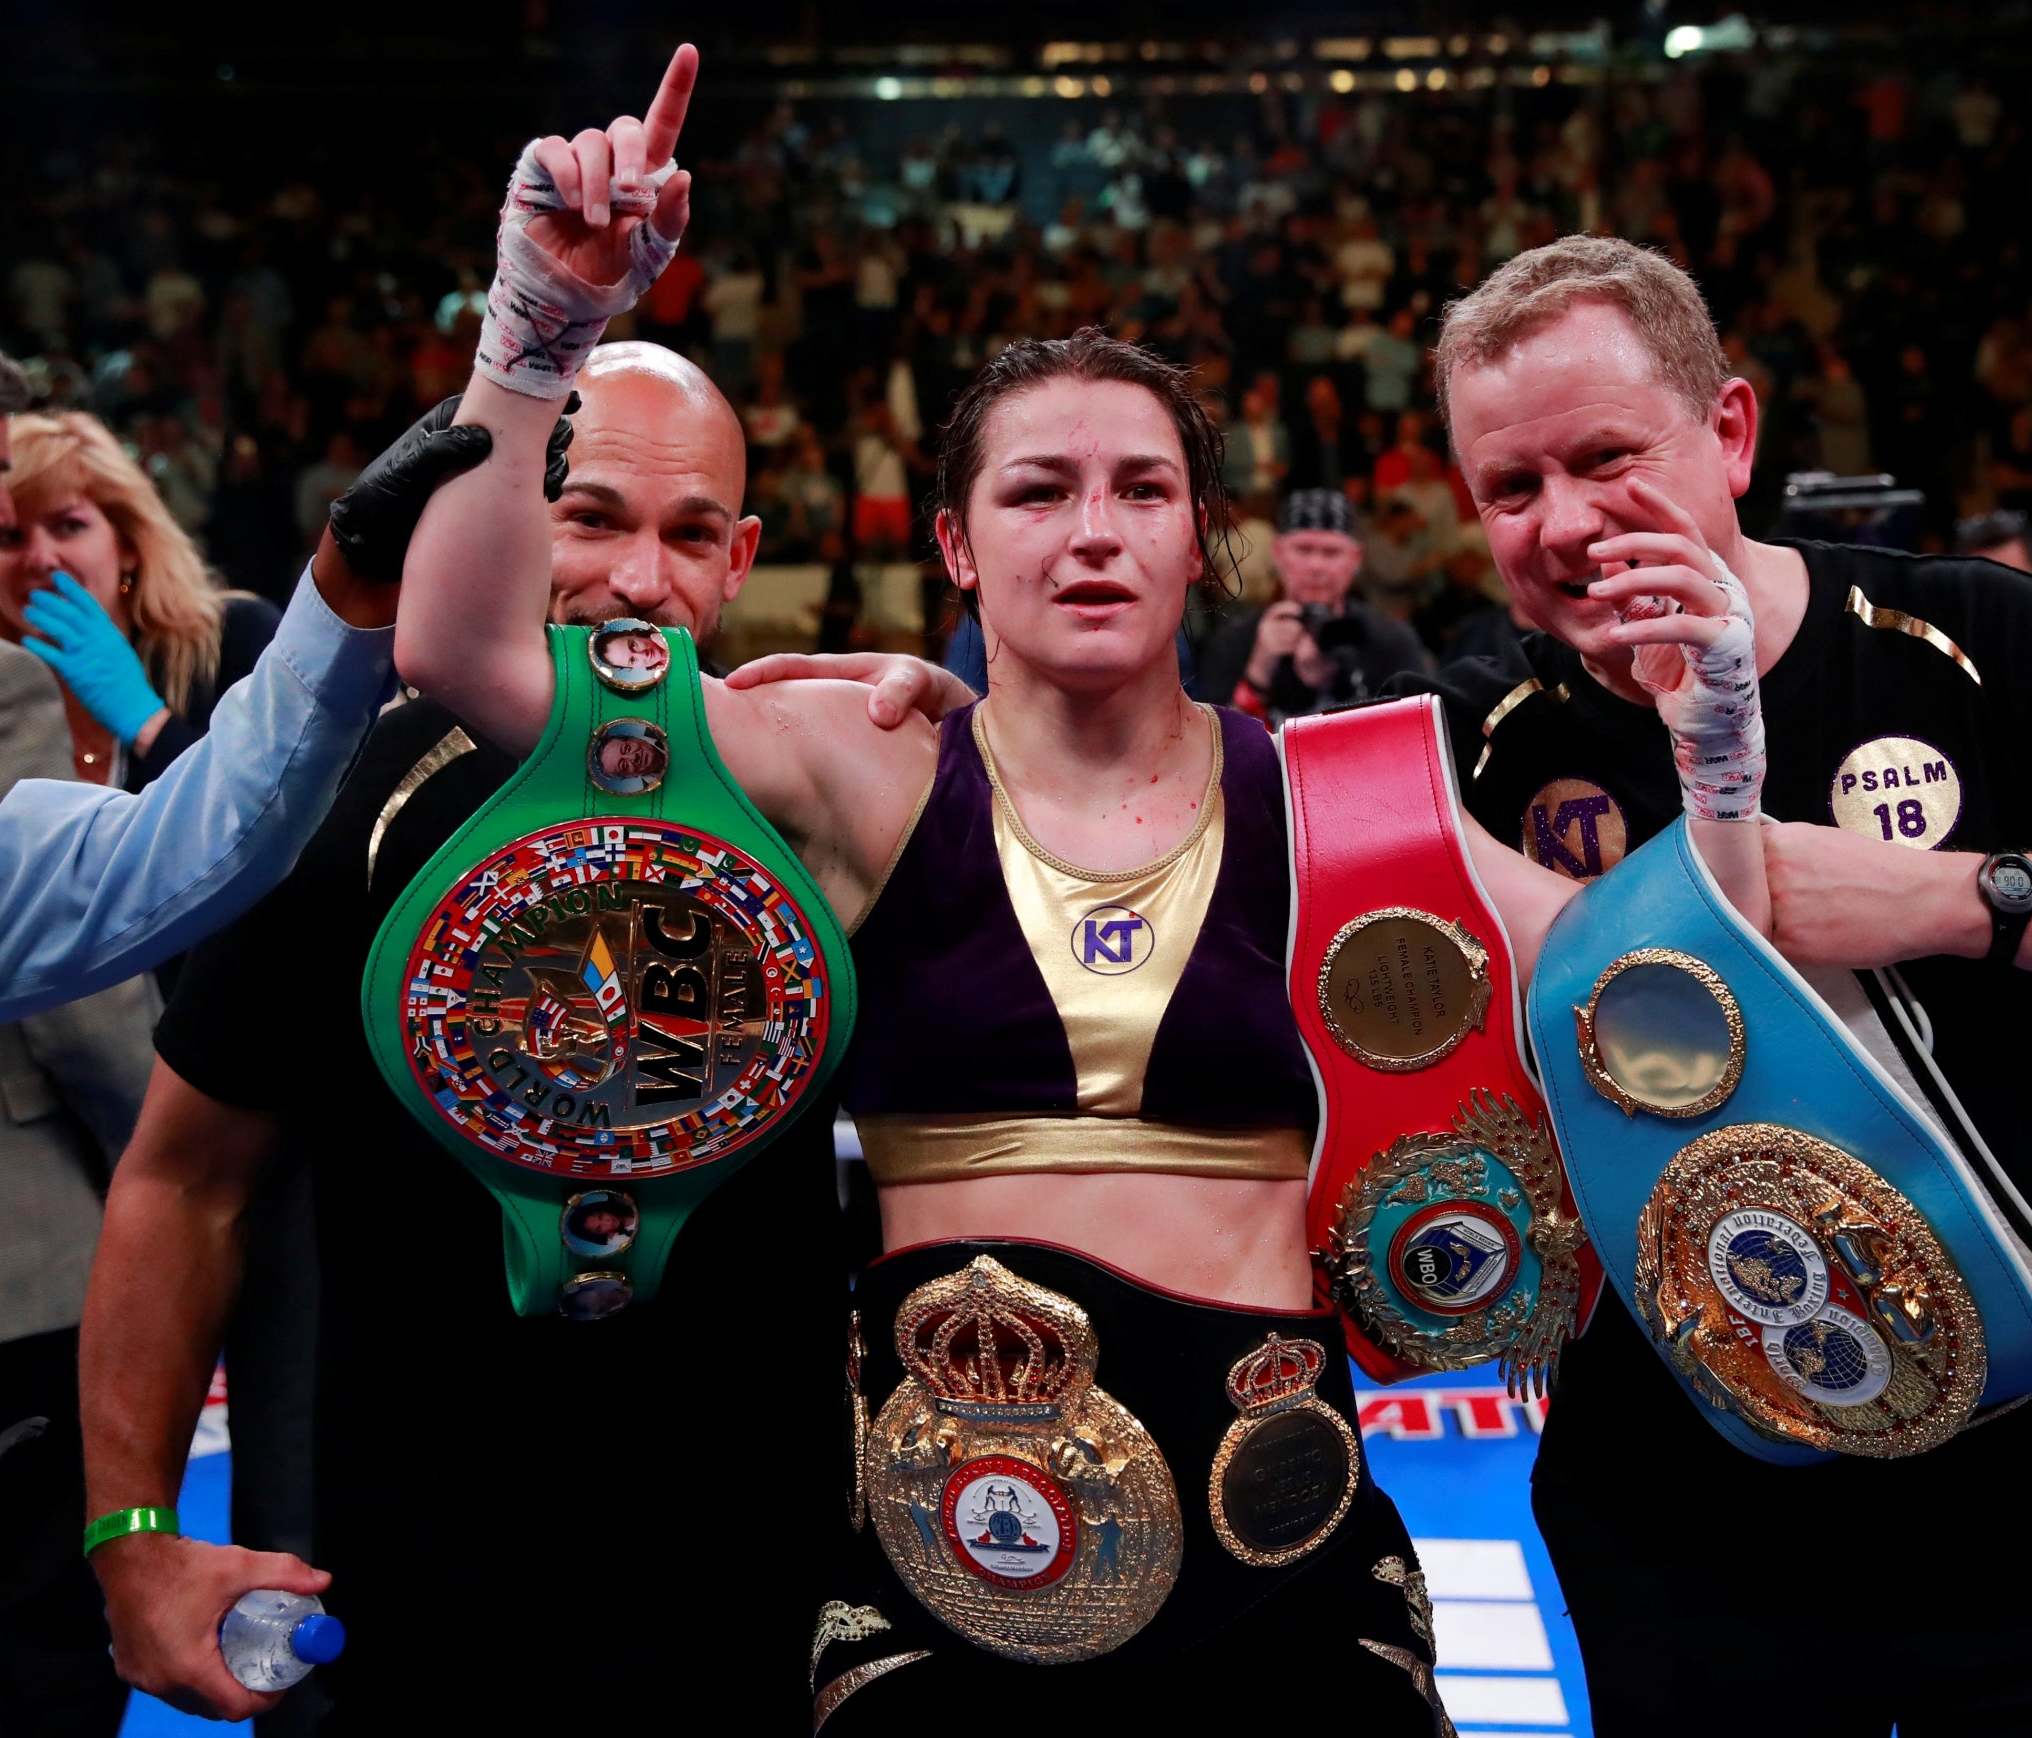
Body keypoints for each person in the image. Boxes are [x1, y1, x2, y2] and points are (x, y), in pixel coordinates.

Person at [383, 52, 1770, 1726]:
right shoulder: (858, 759)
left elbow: (1677, 1001)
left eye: (1142, 490)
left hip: (1287, 1557)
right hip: (932, 1576)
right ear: (959, 545)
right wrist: (537, 324)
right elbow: (458, 648)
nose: (1091, 530)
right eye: (1036, 491)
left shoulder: (1348, 797)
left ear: (1204, 540)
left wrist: (1719, 762)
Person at [1406, 236, 2032, 1737]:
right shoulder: (1467, 752)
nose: (1563, 522)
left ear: (1733, 433)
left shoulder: (1978, 640)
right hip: (1694, 1535)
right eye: (1512, 489)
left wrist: (1970, 895)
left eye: (1606, 457)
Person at [76, 345, 844, 1734]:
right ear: (506, 522)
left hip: (764, 1577)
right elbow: (181, 1177)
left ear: (742, 561)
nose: (636, 579)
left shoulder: (841, 799)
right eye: (593, 516)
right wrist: (133, 1527)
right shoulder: (345, 796)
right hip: (423, 1576)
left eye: (686, 535)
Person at [0, 356, 471, 1021]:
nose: (40, 558)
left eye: (68, 526)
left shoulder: (227, 637)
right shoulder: (7, 685)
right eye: (9, 536)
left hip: (215, 1030)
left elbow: (293, 844)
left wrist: (149, 723)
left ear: (127, 541)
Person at [0, 638, 161, 1738]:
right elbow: (73, 981)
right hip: (24, 1269)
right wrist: (172, 1170)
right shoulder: (6, 681)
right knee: (36, 1651)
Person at [1194, 487, 1429, 719]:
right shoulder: (1236, 640)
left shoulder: (1390, 640)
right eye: (1303, 550)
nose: (1316, 566)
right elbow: (1218, 749)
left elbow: (1419, 736)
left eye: (1331, 552)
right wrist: (1259, 671)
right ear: (1278, 553)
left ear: (1355, 559)